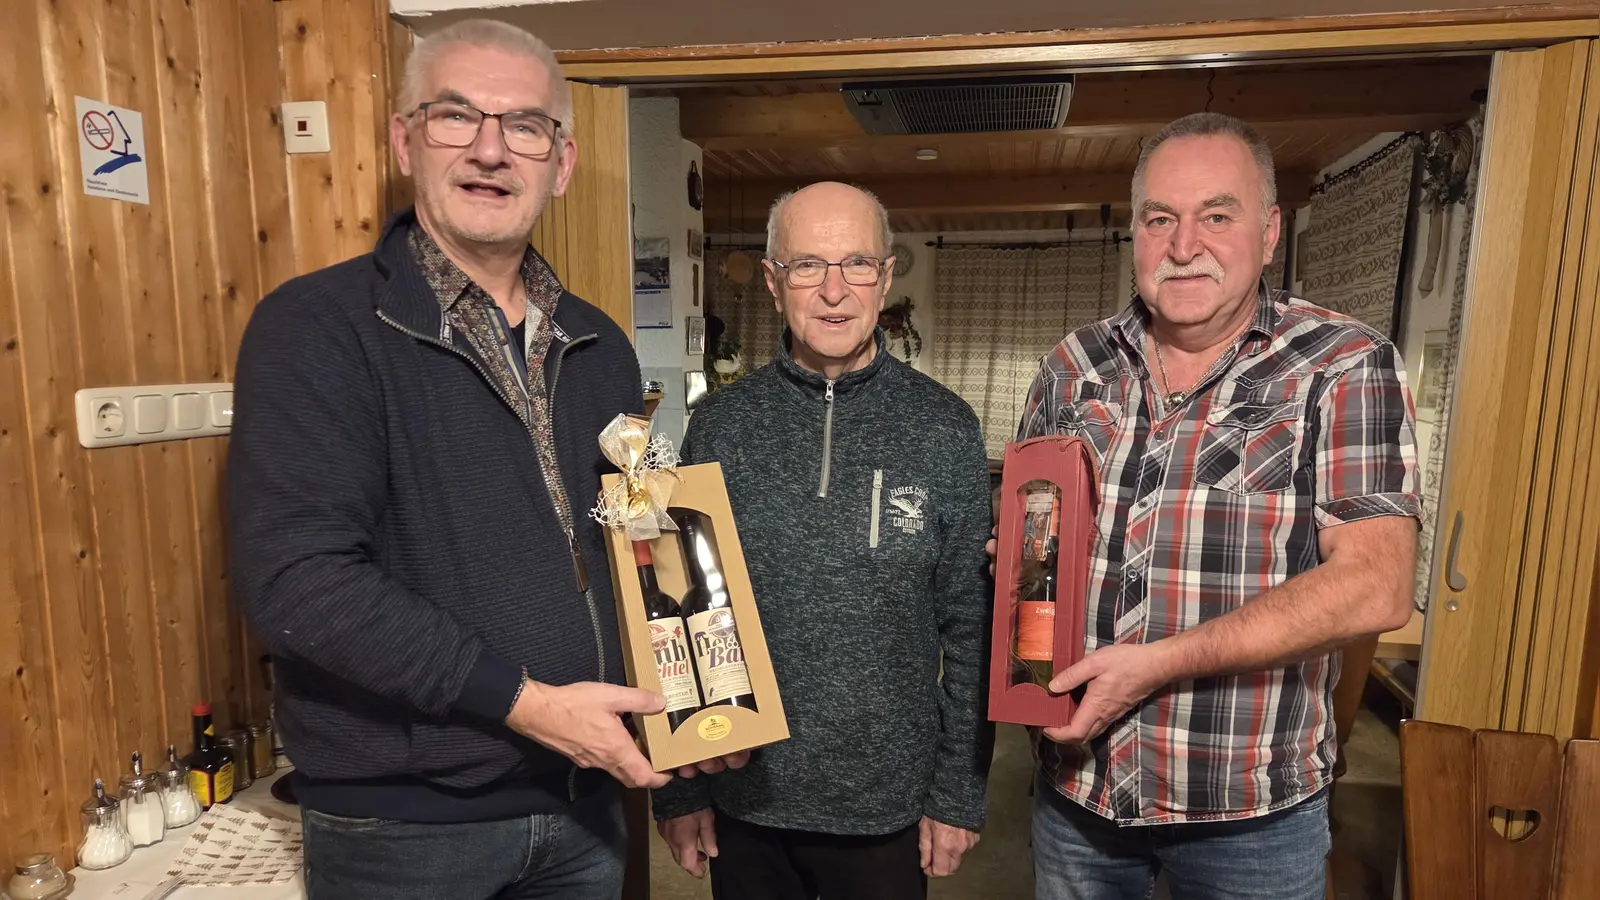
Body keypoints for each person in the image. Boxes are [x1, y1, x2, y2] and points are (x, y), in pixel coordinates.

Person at [229, 19, 740, 900]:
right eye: (456, 116)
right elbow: (297, 581)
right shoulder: (316, 328)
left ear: (563, 162)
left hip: (585, 806)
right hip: (405, 828)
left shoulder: (600, 343)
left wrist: (697, 706)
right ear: (404, 140)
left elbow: (642, 536)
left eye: (526, 126)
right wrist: (532, 705)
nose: (491, 150)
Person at [1013, 113, 1420, 899]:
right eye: (1159, 218)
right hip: (1077, 794)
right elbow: (1037, 554)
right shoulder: (1071, 365)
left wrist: (1156, 666)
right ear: (1134, 233)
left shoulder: (1342, 364)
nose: (1184, 243)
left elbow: (1378, 584)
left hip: (1248, 816)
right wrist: (1020, 566)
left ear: (1269, 231)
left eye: (1217, 215)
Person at [653, 182, 996, 900]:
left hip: (888, 805)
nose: (834, 291)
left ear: (886, 277)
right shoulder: (719, 426)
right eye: (808, 266)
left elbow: (971, 626)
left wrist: (958, 791)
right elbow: (675, 614)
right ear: (775, 284)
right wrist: (678, 789)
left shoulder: (945, 427)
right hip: (745, 790)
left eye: (857, 265)